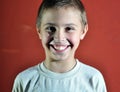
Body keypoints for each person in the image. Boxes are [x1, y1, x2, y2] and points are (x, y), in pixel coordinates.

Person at [12, 0, 107, 92]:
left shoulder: (94, 79)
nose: (59, 37)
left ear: (83, 31)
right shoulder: (24, 81)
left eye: (69, 28)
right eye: (50, 28)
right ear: (39, 31)